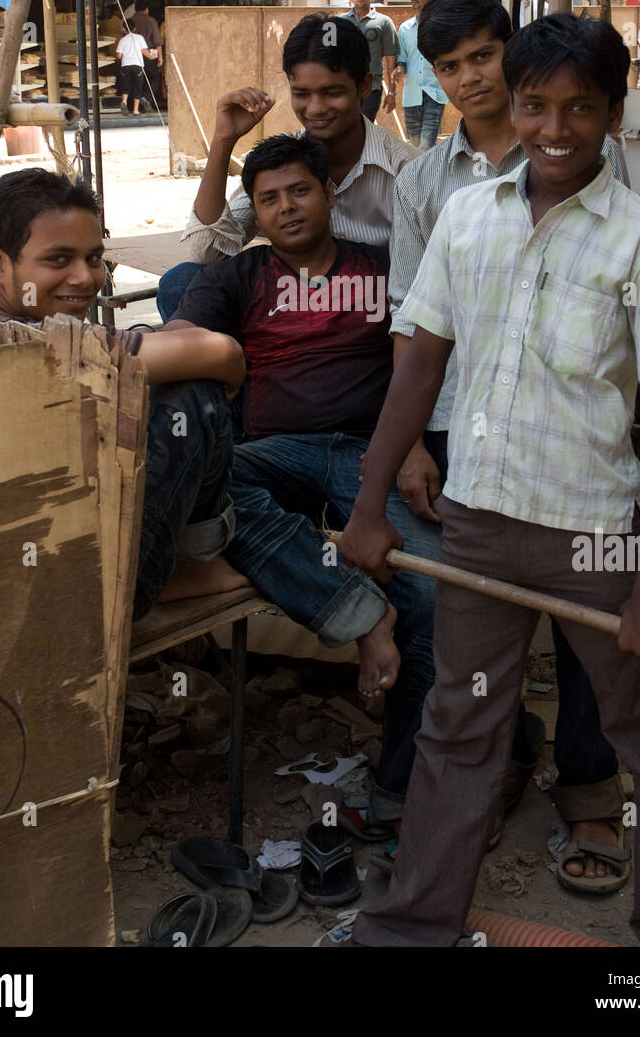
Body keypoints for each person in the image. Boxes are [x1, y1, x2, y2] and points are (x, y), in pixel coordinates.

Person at [339, 14, 640, 948]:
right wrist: (367, 508)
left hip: (598, 531)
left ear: (612, 115)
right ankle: (411, 926)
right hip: (481, 520)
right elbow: (418, 369)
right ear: (509, 106)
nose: (554, 128)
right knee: (460, 727)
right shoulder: (467, 218)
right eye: (535, 105)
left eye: (579, 109)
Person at [390, 0, 631, 891]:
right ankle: (484, 783)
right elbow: (409, 332)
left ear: (512, 54)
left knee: (585, 629)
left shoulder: (601, 162)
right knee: (477, 635)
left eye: (482, 57)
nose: (468, 79)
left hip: (574, 440)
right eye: (447, 67)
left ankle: (592, 794)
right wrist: (412, 446)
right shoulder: (426, 184)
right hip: (464, 430)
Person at [167, 132, 438, 835]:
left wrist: (408, 446)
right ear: (253, 211)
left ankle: (404, 786)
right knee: (208, 492)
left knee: (433, 593)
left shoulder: (383, 267)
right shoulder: (236, 277)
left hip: (371, 454)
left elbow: (427, 359)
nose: (286, 208)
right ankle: (357, 613)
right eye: (268, 199)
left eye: (300, 191)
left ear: (328, 194)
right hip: (270, 455)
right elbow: (177, 343)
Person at [0, 169, 246, 618]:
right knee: (197, 398)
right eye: (58, 260)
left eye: (94, 258)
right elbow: (219, 351)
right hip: (60, 589)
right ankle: (171, 569)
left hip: (11, 551)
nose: (84, 278)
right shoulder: (23, 345)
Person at [160, 14, 416, 319]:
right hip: (288, 305)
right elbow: (206, 253)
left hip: (369, 311)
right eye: (302, 94)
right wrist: (222, 142)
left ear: (364, 85)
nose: (316, 108)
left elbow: (419, 282)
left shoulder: (406, 170)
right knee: (181, 282)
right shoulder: (281, 161)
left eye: (332, 92)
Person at [393, 0, 447, 150]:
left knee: (426, 145)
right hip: (412, 94)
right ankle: (418, 176)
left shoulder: (441, 27)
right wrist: (399, 69)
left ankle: (427, 177)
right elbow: (402, 58)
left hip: (434, 92)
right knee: (414, 146)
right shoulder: (405, 28)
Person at [344, 0, 398, 122]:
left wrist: (392, 93)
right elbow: (327, 54)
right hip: (344, 87)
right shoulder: (338, 22)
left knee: (364, 128)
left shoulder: (384, 22)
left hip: (371, 87)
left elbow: (391, 59)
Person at [116, 25, 159, 117]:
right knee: (137, 87)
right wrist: (153, 57)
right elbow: (145, 52)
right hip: (137, 66)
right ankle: (136, 110)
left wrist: (126, 55)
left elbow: (119, 56)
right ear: (134, 29)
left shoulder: (122, 40)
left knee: (126, 86)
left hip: (125, 66)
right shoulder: (140, 38)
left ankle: (124, 102)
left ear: (124, 29)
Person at [132, 0, 163, 105]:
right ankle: (146, 98)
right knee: (154, 77)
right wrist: (160, 57)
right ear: (146, 9)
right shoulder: (151, 21)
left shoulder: (130, 21)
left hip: (133, 53)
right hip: (150, 52)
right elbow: (157, 41)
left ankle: (137, 102)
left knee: (138, 78)